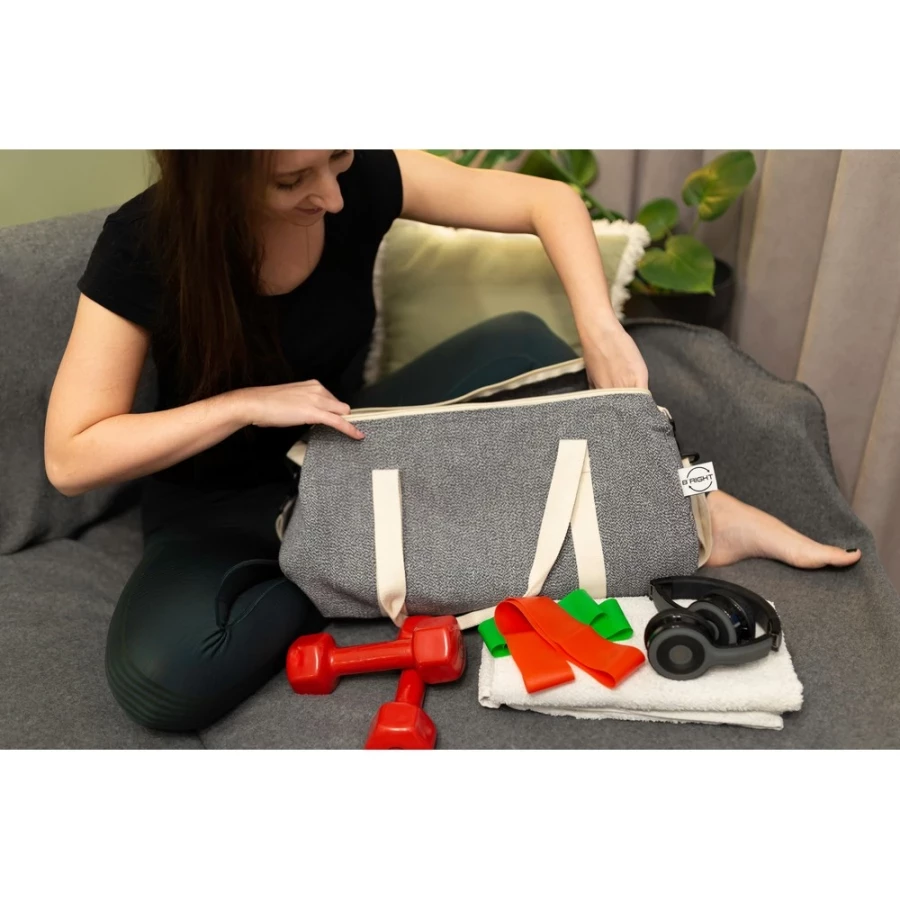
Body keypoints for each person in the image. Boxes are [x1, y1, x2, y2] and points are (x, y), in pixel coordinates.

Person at [44, 149, 861, 733]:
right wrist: (244, 406)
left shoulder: (360, 174)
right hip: (223, 506)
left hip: (357, 443)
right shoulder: (141, 245)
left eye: (336, 160)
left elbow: (548, 202)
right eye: (292, 181)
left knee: (521, 342)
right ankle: (331, 569)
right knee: (164, 684)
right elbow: (72, 456)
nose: (332, 196)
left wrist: (599, 325)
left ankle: (700, 502)